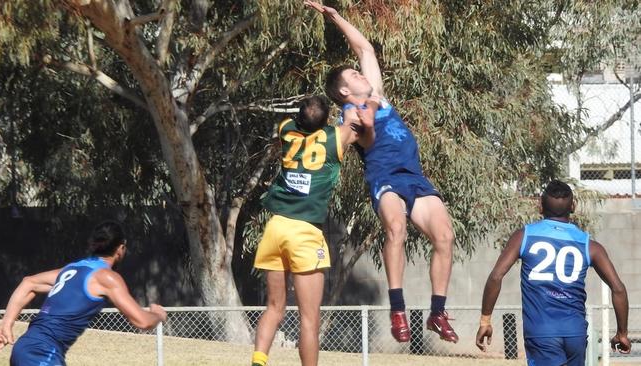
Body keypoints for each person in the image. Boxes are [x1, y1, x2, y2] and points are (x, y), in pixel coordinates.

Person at [305, 1, 458, 343]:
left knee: (445, 237)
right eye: (354, 75)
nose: (361, 74)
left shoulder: (377, 96)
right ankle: (398, 309)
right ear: (345, 90)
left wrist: (335, 17)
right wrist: (367, 115)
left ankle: (437, 312)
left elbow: (365, 48)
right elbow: (368, 137)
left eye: (359, 72)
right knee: (396, 227)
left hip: (414, 176)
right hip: (385, 177)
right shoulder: (350, 112)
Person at [251, 95, 375, 366]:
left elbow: (301, 123)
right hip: (305, 232)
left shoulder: (285, 129)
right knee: (309, 318)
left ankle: (258, 361)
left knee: (274, 308)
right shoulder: (335, 138)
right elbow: (360, 124)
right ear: (325, 121)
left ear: (298, 118)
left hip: (275, 228)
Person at [475, 180, 631, 365]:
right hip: (575, 333)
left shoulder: (524, 236)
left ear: (540, 206)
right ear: (573, 206)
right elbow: (618, 289)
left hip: (542, 334)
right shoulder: (589, 245)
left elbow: (496, 276)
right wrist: (622, 333)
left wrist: (485, 320)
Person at [0, 220, 167, 366]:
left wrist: (7, 323)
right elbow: (142, 321)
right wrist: (158, 315)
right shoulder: (106, 277)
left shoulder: (72, 269)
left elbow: (29, 283)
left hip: (25, 347)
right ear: (120, 248)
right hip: (42, 353)